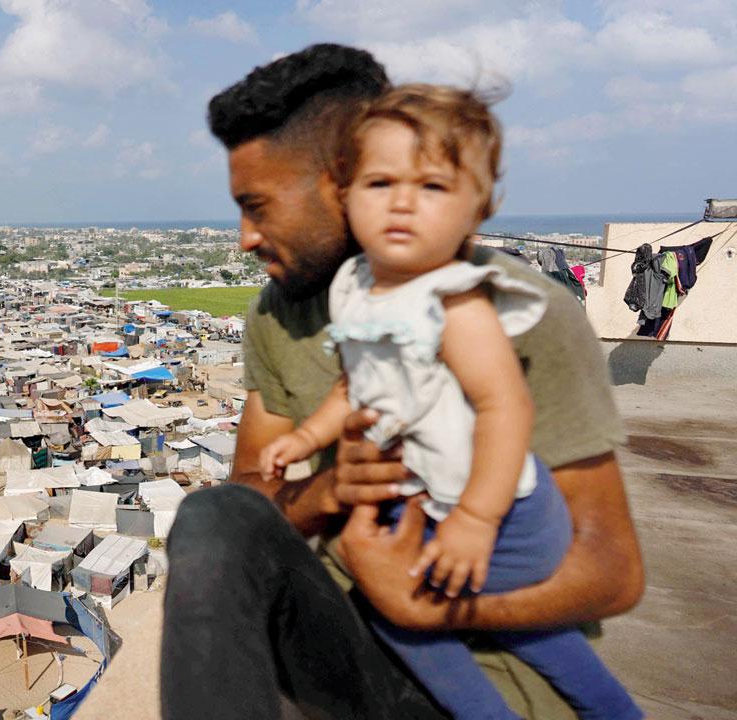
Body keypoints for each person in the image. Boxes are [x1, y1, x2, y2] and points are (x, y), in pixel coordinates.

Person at [160, 44, 643, 720]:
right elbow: (249, 503)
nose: (245, 236)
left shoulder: (507, 310)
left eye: (258, 206)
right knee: (210, 512)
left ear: (339, 182)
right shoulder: (281, 313)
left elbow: (612, 569)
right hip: (347, 642)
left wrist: (420, 604)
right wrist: (329, 488)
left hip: (485, 672)